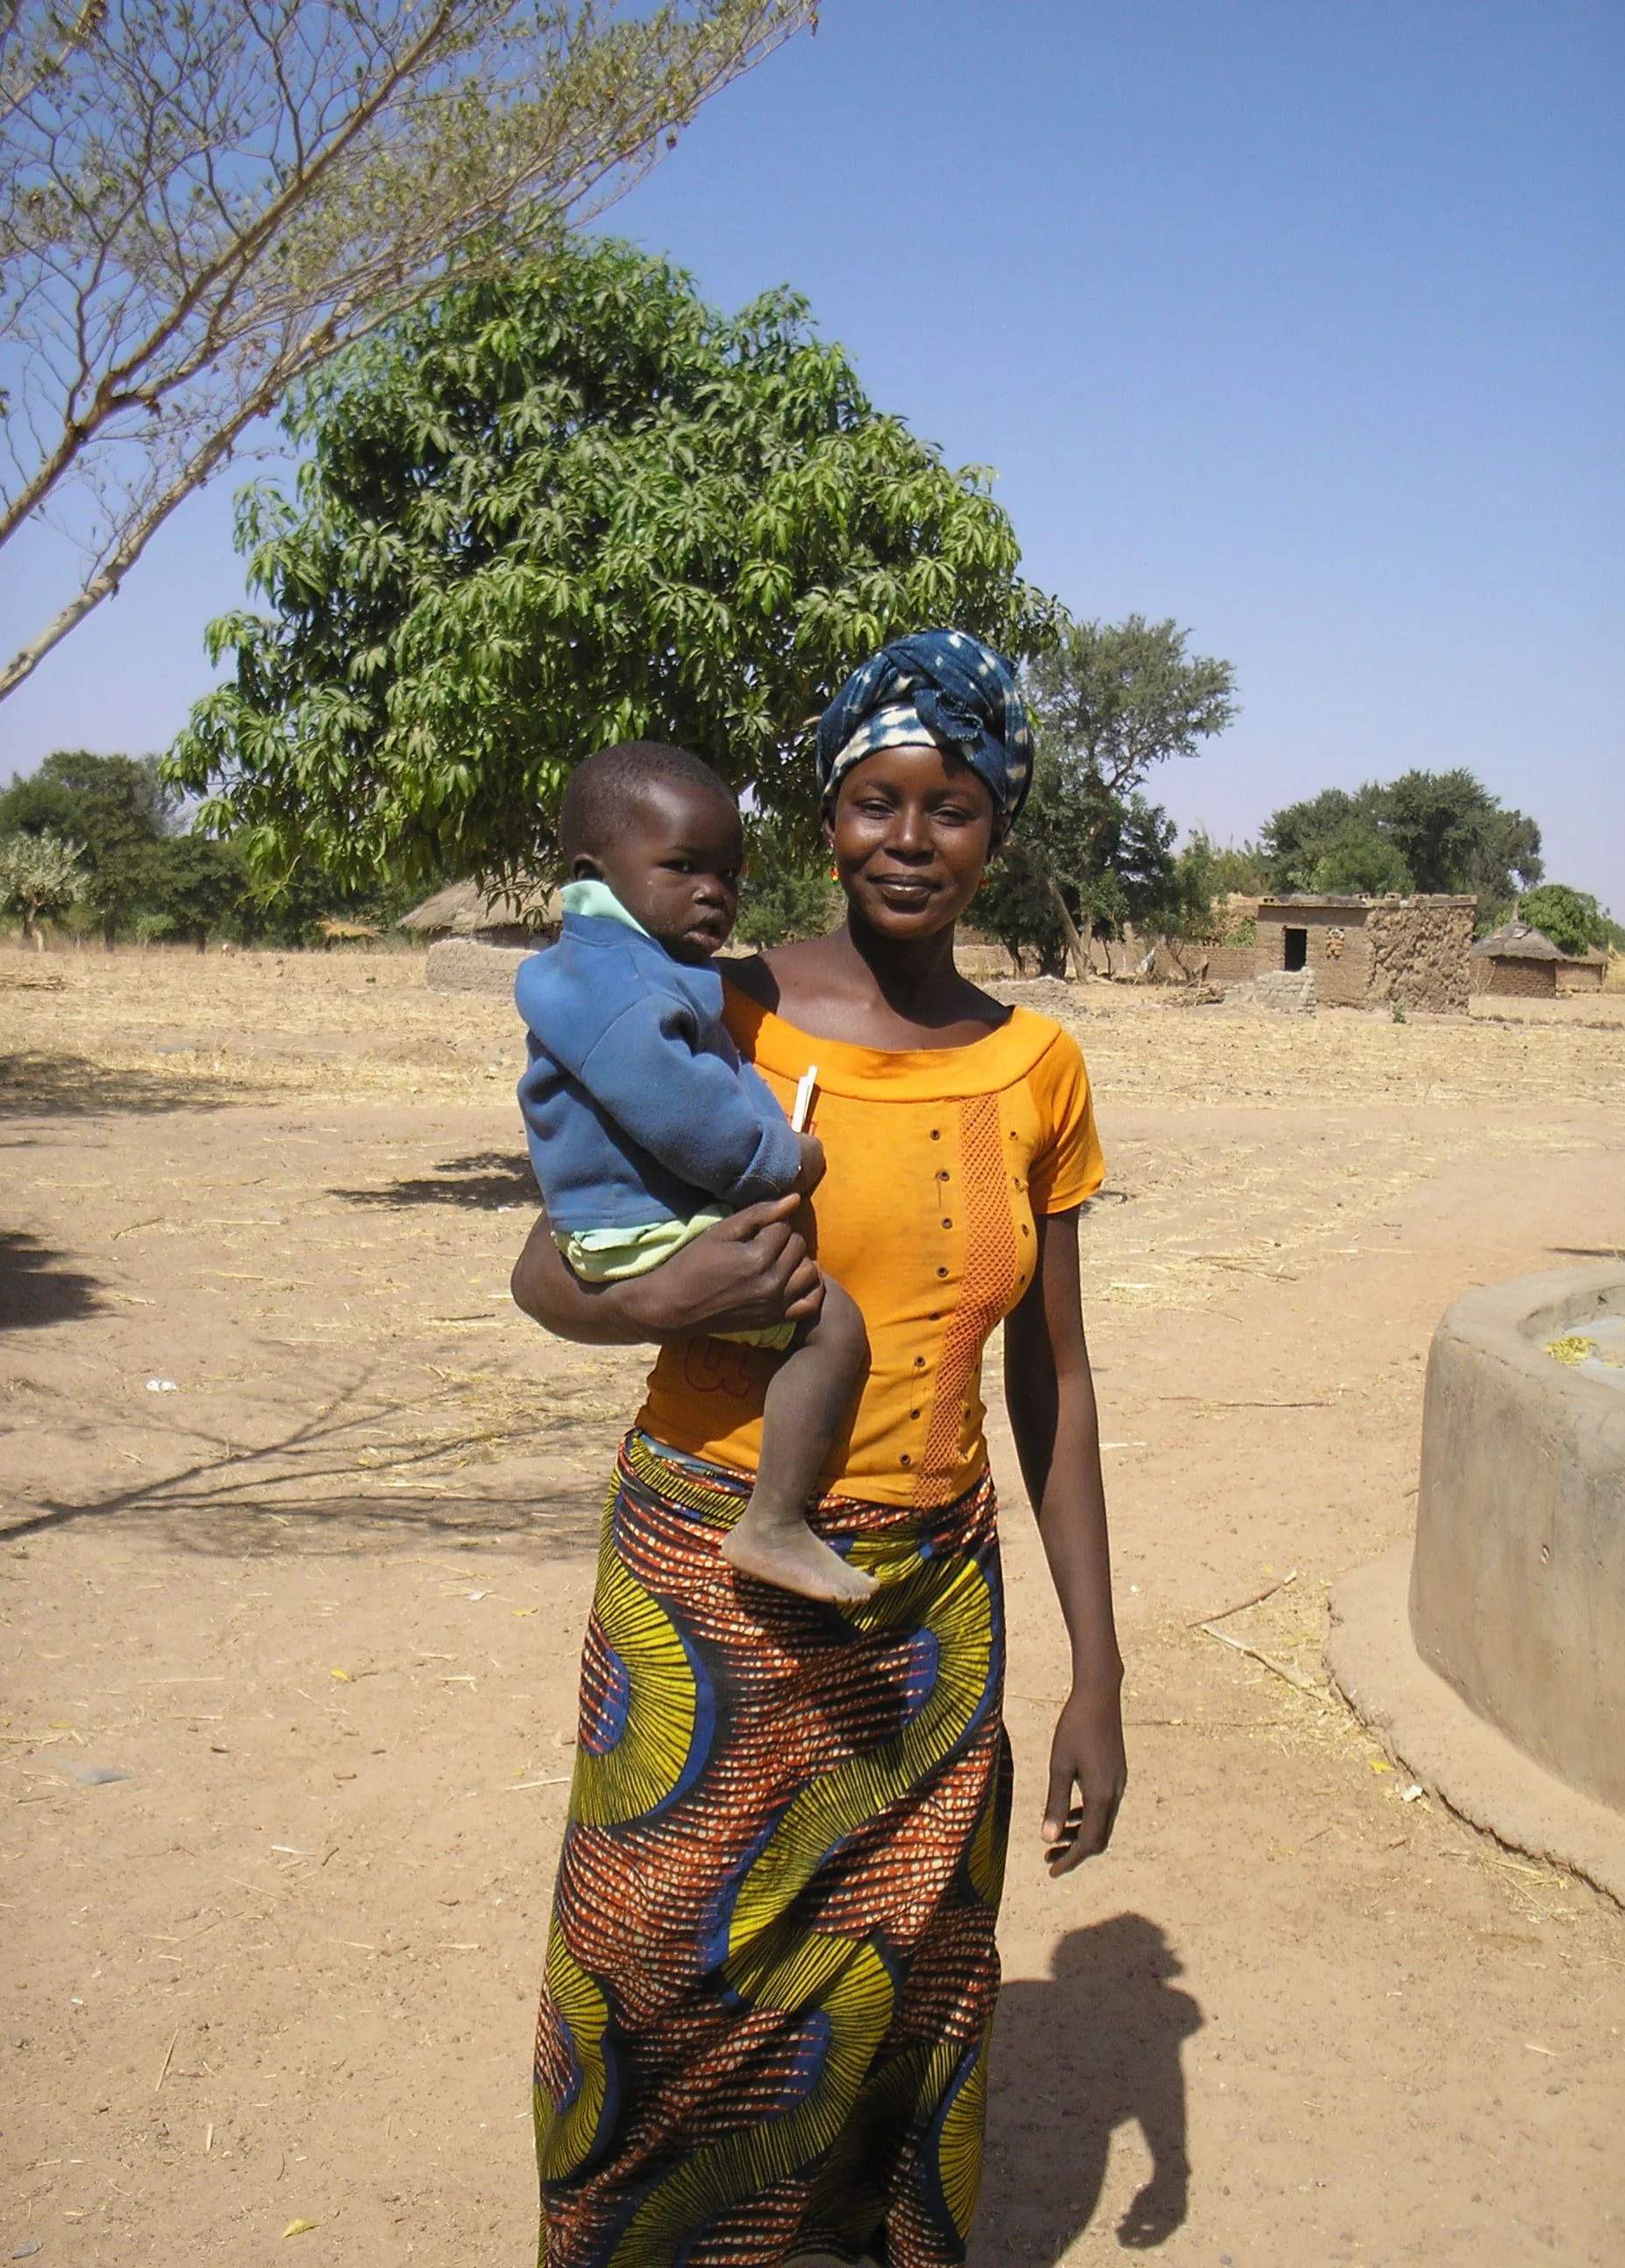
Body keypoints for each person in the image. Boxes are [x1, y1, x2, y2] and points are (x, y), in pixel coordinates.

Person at [511, 629, 1127, 2268]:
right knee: (652, 1977)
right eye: (872, 802)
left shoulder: (1036, 1069)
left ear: (1000, 825)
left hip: (928, 1613)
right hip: (706, 1582)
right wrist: (682, 1295)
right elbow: (545, 1269)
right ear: (830, 814)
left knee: (904, 1983)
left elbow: (1051, 1383)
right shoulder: (714, 1003)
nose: (908, 841)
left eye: (950, 807)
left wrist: (1100, 1675)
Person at [515, 741, 874, 1606]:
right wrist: (783, 1160)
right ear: (593, 873)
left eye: (729, 874)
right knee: (835, 1328)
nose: (714, 892)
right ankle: (776, 1521)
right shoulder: (632, 992)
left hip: (613, 1218)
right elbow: (684, 1112)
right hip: (630, 1231)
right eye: (683, 867)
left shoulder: (624, 972)